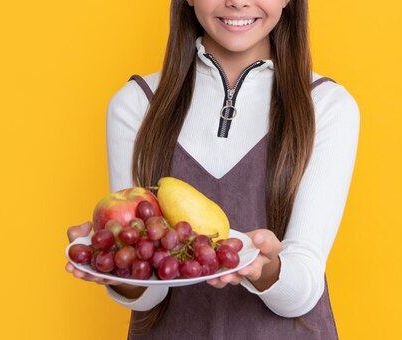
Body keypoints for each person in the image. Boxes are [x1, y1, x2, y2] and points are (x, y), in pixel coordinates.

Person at [66, 0, 359, 338]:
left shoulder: (325, 107)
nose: (237, 1)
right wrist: (120, 271)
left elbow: (303, 291)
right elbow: (148, 298)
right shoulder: (136, 104)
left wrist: (264, 270)